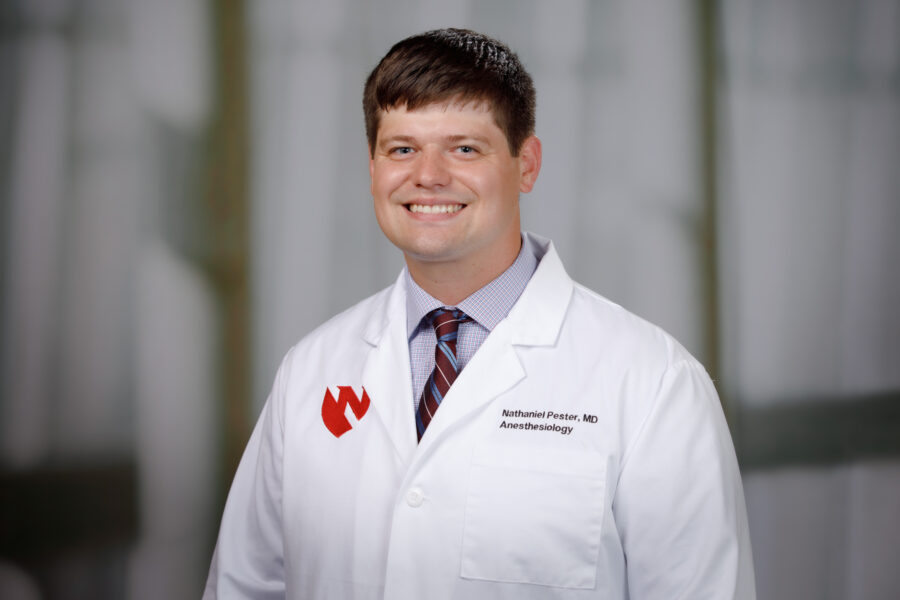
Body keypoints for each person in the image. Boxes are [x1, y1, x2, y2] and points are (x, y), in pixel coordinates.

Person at [204, 28, 755, 599]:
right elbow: (244, 587)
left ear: (527, 164)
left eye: (465, 148)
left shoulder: (653, 383)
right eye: (402, 149)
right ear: (372, 169)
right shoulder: (311, 369)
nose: (429, 175)